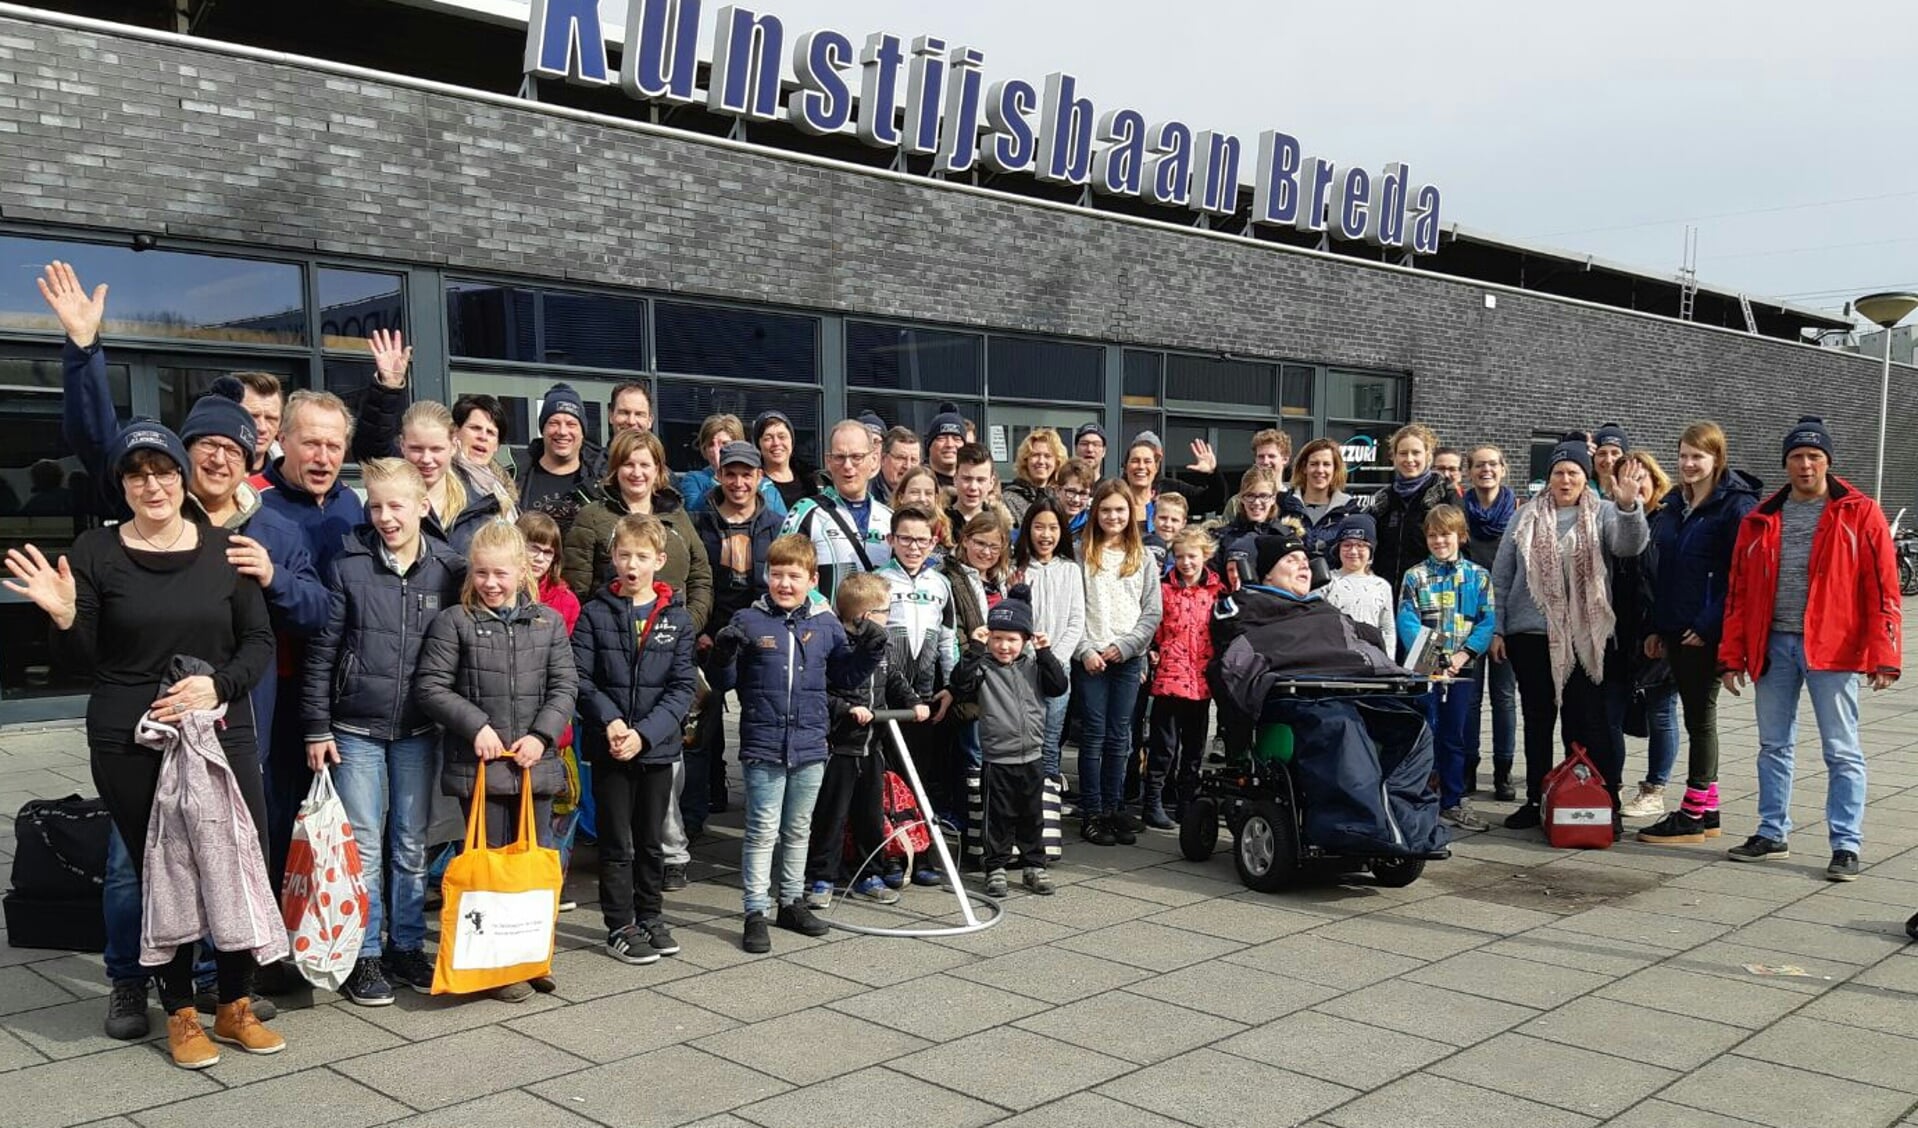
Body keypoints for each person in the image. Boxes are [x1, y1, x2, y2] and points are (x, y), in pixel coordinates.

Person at [5, 422, 283, 1068]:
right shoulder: (97, 553)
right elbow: (80, 660)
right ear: (121, 486)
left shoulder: (225, 550)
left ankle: (236, 1003)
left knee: (243, 858)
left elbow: (259, 644)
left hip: (218, 730)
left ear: (183, 479)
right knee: (167, 873)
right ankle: (182, 1011)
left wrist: (215, 687)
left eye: (163, 471)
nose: (152, 484)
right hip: (130, 734)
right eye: (137, 474)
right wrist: (66, 616)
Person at [301, 458, 465, 1004]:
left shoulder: (448, 568)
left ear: (423, 505)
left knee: (412, 844)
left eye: (396, 505)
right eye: (375, 506)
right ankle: (364, 955)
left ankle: (407, 946)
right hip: (355, 726)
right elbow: (322, 652)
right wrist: (315, 726)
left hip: (419, 728)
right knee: (365, 846)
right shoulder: (348, 563)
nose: (385, 516)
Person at [1717, 417, 1900, 880]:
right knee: (1772, 744)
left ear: (1827, 461)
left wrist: (1885, 653)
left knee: (1842, 750)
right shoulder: (1761, 518)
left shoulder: (1860, 513)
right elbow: (1737, 592)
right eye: (1796, 457)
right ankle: (1771, 831)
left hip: (1833, 648)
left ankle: (1845, 844)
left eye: (1814, 457)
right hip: (1773, 646)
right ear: (1785, 463)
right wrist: (1732, 653)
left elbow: (1883, 588)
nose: (1805, 465)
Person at [413, 520, 579, 1002]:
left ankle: (533, 955)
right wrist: (475, 725)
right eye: (482, 574)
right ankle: (498, 965)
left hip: (533, 767)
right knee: (489, 870)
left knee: (533, 866)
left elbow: (564, 686)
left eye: (501, 574)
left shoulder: (546, 623)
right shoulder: (455, 623)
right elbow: (431, 687)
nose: (490, 584)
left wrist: (542, 736)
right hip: (480, 768)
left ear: (522, 573)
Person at [711, 534, 885, 953]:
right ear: (766, 576)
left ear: (811, 579)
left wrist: (869, 652)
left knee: (798, 828)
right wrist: (723, 655)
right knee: (762, 830)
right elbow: (723, 682)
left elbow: (844, 677)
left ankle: (790, 901)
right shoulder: (749, 621)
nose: (784, 583)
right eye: (776, 574)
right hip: (763, 743)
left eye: (794, 575)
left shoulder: (824, 624)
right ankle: (755, 908)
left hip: (810, 743)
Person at [1490, 440, 1649, 831]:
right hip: (1530, 633)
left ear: (1585, 477)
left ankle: (1594, 797)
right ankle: (1537, 797)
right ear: (1549, 478)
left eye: (1573, 473)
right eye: (1559, 472)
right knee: (1538, 720)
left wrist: (1629, 506)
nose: (1565, 479)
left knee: (1586, 722)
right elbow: (1502, 575)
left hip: (1585, 638)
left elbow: (1630, 546)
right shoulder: (1525, 516)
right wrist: (1497, 627)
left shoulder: (1606, 513)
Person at [571, 514, 697, 966]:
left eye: (642, 556)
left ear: (659, 561)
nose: (632, 564)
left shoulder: (677, 619)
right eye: (624, 555)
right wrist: (611, 723)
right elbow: (581, 679)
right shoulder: (593, 614)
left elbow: (683, 687)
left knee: (650, 838)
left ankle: (650, 914)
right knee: (616, 840)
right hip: (610, 746)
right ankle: (619, 923)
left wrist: (645, 734)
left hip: (656, 747)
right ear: (613, 557)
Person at [1636, 423, 1761, 845]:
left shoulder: (1734, 506)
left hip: (1702, 632)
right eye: (1684, 455)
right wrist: (1658, 626)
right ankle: (1708, 810)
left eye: (1698, 457)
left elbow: (1736, 575)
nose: (1689, 464)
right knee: (1696, 717)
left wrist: (1708, 626)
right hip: (1675, 626)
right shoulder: (1676, 503)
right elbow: (1663, 569)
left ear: (1716, 459)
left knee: (1700, 719)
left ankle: (1692, 814)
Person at [805, 572, 926, 908]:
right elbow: (823, 692)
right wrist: (848, 709)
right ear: (865, 617)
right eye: (885, 611)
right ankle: (821, 877)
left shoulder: (883, 647)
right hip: (841, 747)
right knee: (832, 815)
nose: (890, 617)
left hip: (873, 745)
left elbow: (895, 681)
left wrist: (914, 702)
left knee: (870, 814)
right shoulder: (837, 646)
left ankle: (868, 872)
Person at [948, 584, 1067, 897]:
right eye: (997, 638)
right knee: (996, 817)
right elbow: (960, 685)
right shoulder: (983, 668)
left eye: (1012, 640)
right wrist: (974, 649)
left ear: (1025, 640)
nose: (1004, 646)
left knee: (1032, 815)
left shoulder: (1034, 665)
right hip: (997, 759)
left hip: (1032, 757)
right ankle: (996, 866)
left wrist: (1045, 652)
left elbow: (1058, 686)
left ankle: (1034, 865)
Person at [689, 441, 784, 831]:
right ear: (719, 475)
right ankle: (692, 821)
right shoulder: (698, 521)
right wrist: (700, 630)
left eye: (747, 474)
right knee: (700, 733)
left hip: (761, 639)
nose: (739, 482)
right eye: (731, 473)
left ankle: (761, 820)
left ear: (760, 478)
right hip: (711, 640)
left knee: (761, 728)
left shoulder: (778, 526)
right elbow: (693, 580)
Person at [1397, 505, 1497, 831]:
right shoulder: (1415, 576)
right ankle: (1422, 795)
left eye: (1446, 534)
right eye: (1433, 535)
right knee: (1425, 731)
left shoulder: (1478, 577)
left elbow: (1486, 621)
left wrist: (1462, 656)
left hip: (1461, 669)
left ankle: (1452, 801)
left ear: (1460, 536)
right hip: (1425, 666)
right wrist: (1435, 656)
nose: (1439, 540)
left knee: (1455, 735)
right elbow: (1407, 620)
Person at [1075, 481, 1164, 845]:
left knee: (1121, 736)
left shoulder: (1142, 558)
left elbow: (1152, 611)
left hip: (1127, 658)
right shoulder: (1082, 553)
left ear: (1132, 513)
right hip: (1091, 658)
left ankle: (1114, 808)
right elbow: (1072, 608)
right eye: (1107, 509)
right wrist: (1085, 650)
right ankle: (1092, 811)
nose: (1113, 516)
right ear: (1096, 512)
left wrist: (1127, 647)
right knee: (1093, 734)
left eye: (1120, 510)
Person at [878, 504, 961, 886]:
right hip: (888, 700)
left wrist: (950, 687)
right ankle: (892, 855)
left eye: (922, 540)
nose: (914, 546)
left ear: (934, 542)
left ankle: (923, 851)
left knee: (923, 778)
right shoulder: (878, 580)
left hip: (927, 697)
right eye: (906, 538)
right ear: (891, 539)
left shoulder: (940, 584)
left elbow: (948, 642)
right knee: (888, 777)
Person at [563, 429, 713, 629]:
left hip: (672, 640)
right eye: (628, 464)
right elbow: (575, 589)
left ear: (658, 469)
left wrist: (687, 627)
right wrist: (599, 632)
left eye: (644, 465)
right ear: (615, 468)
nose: (637, 473)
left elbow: (700, 578)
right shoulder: (592, 517)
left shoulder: (677, 516)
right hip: (610, 641)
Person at [1605, 450, 1681, 822]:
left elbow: (1664, 578)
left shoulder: (1667, 520)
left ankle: (1655, 788)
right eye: (1625, 479)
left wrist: (1661, 629)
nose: (1634, 486)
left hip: (1656, 628)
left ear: (1654, 480)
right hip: (1618, 631)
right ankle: (1611, 782)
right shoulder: (1611, 517)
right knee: (1611, 712)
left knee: (1662, 710)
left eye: (1641, 478)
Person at [1145, 528, 1220, 828]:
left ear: (1205, 555)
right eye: (1179, 557)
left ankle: (1185, 802)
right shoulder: (1164, 589)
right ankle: (1153, 800)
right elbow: (1155, 627)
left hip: (1201, 682)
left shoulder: (1217, 590)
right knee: (1164, 746)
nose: (1186, 562)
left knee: (1194, 747)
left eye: (1192, 556)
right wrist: (1154, 650)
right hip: (1169, 679)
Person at [1010, 497, 1083, 787]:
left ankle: (1048, 801)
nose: (1046, 534)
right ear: (1028, 529)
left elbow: (1076, 621)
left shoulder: (1070, 569)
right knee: (1022, 736)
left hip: (1057, 667)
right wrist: (1029, 653)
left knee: (1051, 739)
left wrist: (1055, 659)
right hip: (1022, 665)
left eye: (1053, 527)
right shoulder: (1016, 569)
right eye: (1039, 527)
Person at [1462, 444, 1519, 800]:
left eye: (1493, 464)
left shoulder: (1518, 513)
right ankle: (1468, 767)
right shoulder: (1458, 511)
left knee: (1504, 697)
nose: (1486, 470)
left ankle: (1503, 772)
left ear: (1503, 469)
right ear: (1470, 472)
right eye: (1480, 465)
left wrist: (1504, 622)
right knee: (1468, 699)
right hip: (1467, 617)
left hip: (1506, 618)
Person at [783, 420, 894, 601]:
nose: (848, 466)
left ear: (873, 460)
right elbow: (778, 574)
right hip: (823, 626)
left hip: (877, 627)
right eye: (839, 457)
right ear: (828, 461)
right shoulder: (806, 512)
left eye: (857, 457)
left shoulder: (889, 518)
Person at [1369, 423, 1455, 592]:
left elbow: (1460, 548)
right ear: (1393, 457)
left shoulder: (1446, 496)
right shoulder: (1383, 499)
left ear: (1428, 456)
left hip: (1432, 592)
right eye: (1402, 453)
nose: (1409, 459)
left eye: (1416, 453)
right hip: (1388, 592)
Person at [513, 382, 606, 530]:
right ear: (543, 430)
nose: (562, 431)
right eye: (554, 423)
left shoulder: (601, 482)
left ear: (583, 433)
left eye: (571, 424)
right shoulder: (514, 479)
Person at [1322, 513, 1394, 642]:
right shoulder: (1326, 582)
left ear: (1371, 551)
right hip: (1334, 655)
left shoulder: (1382, 586)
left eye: (1361, 545)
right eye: (1347, 545)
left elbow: (1387, 630)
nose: (1353, 551)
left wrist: (1388, 660)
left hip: (1372, 658)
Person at [1291, 438, 1357, 558]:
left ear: (1335, 469)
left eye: (1326, 464)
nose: (1320, 470)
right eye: (1314, 464)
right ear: (1304, 468)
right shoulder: (1286, 506)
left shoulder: (1349, 511)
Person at [519, 512, 582, 633]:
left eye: (548, 552)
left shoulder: (567, 601)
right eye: (534, 549)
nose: (540, 558)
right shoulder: (497, 590)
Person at [676, 413, 741, 513]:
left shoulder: (754, 479)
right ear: (704, 450)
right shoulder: (694, 479)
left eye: (725, 444)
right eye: (711, 444)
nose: (717, 450)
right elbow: (693, 512)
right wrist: (719, 477)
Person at [1003, 428, 1066, 523]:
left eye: (1047, 456)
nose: (1041, 461)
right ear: (1026, 460)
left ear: (1057, 462)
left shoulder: (1061, 498)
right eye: (1035, 455)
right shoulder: (1009, 500)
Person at [753, 410, 809, 513]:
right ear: (759, 445)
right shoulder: (754, 485)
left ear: (791, 441)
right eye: (768, 438)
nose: (776, 443)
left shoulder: (813, 481)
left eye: (782, 437)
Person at [453, 394, 514, 486]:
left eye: (490, 432)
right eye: (475, 428)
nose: (483, 437)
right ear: (456, 432)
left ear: (497, 446)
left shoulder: (504, 490)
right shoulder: (437, 481)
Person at [893, 464, 953, 553]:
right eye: (915, 492)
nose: (922, 499)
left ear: (936, 498)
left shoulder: (945, 532)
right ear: (901, 497)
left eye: (928, 493)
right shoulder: (885, 525)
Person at [948, 443, 1002, 532]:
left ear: (991, 482)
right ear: (955, 479)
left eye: (980, 480)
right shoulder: (938, 523)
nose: (973, 487)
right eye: (967, 479)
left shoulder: (1001, 526)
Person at [874, 426, 922, 505]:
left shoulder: (925, 494)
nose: (907, 466)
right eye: (901, 458)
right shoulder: (867, 493)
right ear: (883, 459)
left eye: (913, 460)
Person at [925, 404, 967, 487]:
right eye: (942, 438)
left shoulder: (973, 486)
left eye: (957, 439)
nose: (949, 444)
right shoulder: (917, 483)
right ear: (929, 445)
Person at [1057, 458, 1097, 536]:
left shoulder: (1092, 528)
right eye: (1071, 491)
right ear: (1058, 490)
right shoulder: (1044, 520)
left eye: (1083, 493)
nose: (1076, 499)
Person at [1591, 423, 1629, 493]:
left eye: (1615, 453)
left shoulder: (1635, 491)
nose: (1608, 460)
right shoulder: (1580, 490)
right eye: (1602, 454)